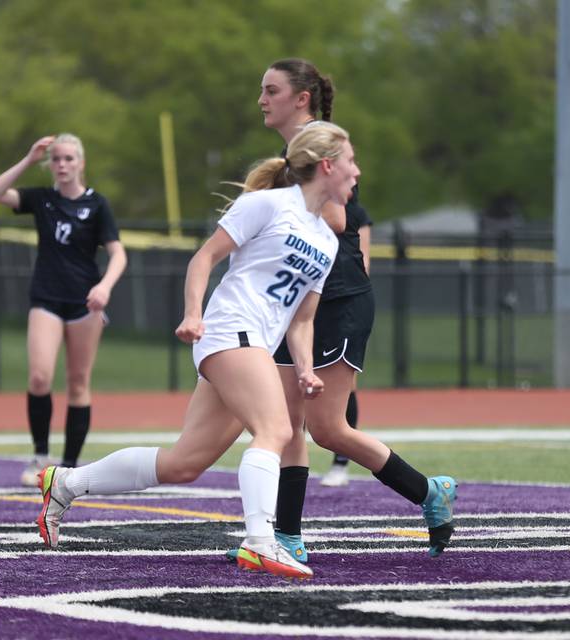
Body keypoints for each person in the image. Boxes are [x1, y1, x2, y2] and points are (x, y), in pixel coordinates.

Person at [35, 122, 357, 580]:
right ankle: (261, 542)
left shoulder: (326, 240)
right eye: (350, 160)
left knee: (184, 463)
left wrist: (304, 368)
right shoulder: (267, 204)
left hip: (255, 345)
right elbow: (204, 257)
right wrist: (192, 313)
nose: (356, 170)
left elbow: (302, 319)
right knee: (276, 430)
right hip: (229, 332)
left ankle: (66, 482)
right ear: (327, 165)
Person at [241, 58, 457, 564]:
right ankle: (288, 537)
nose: (261, 99)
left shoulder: (323, 143)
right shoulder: (294, 152)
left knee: (328, 428)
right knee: (286, 423)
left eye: (271, 90)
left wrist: (282, 199)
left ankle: (429, 492)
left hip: (336, 299)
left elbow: (337, 217)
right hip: (297, 299)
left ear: (302, 97)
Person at [0, 134, 127, 486]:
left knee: (78, 383)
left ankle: (68, 466)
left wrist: (104, 287)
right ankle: (39, 456)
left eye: (68, 159)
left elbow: (118, 253)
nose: (62, 165)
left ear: (81, 163)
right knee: (40, 377)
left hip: (84, 304)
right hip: (46, 299)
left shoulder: (97, 204)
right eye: (56, 159)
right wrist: (29, 159)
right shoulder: (42, 199)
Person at [319, 217, 371, 488]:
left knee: (344, 387)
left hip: (339, 305)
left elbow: (363, 262)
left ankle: (341, 461)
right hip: (306, 305)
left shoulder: (353, 212)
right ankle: (284, 465)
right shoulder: (299, 206)